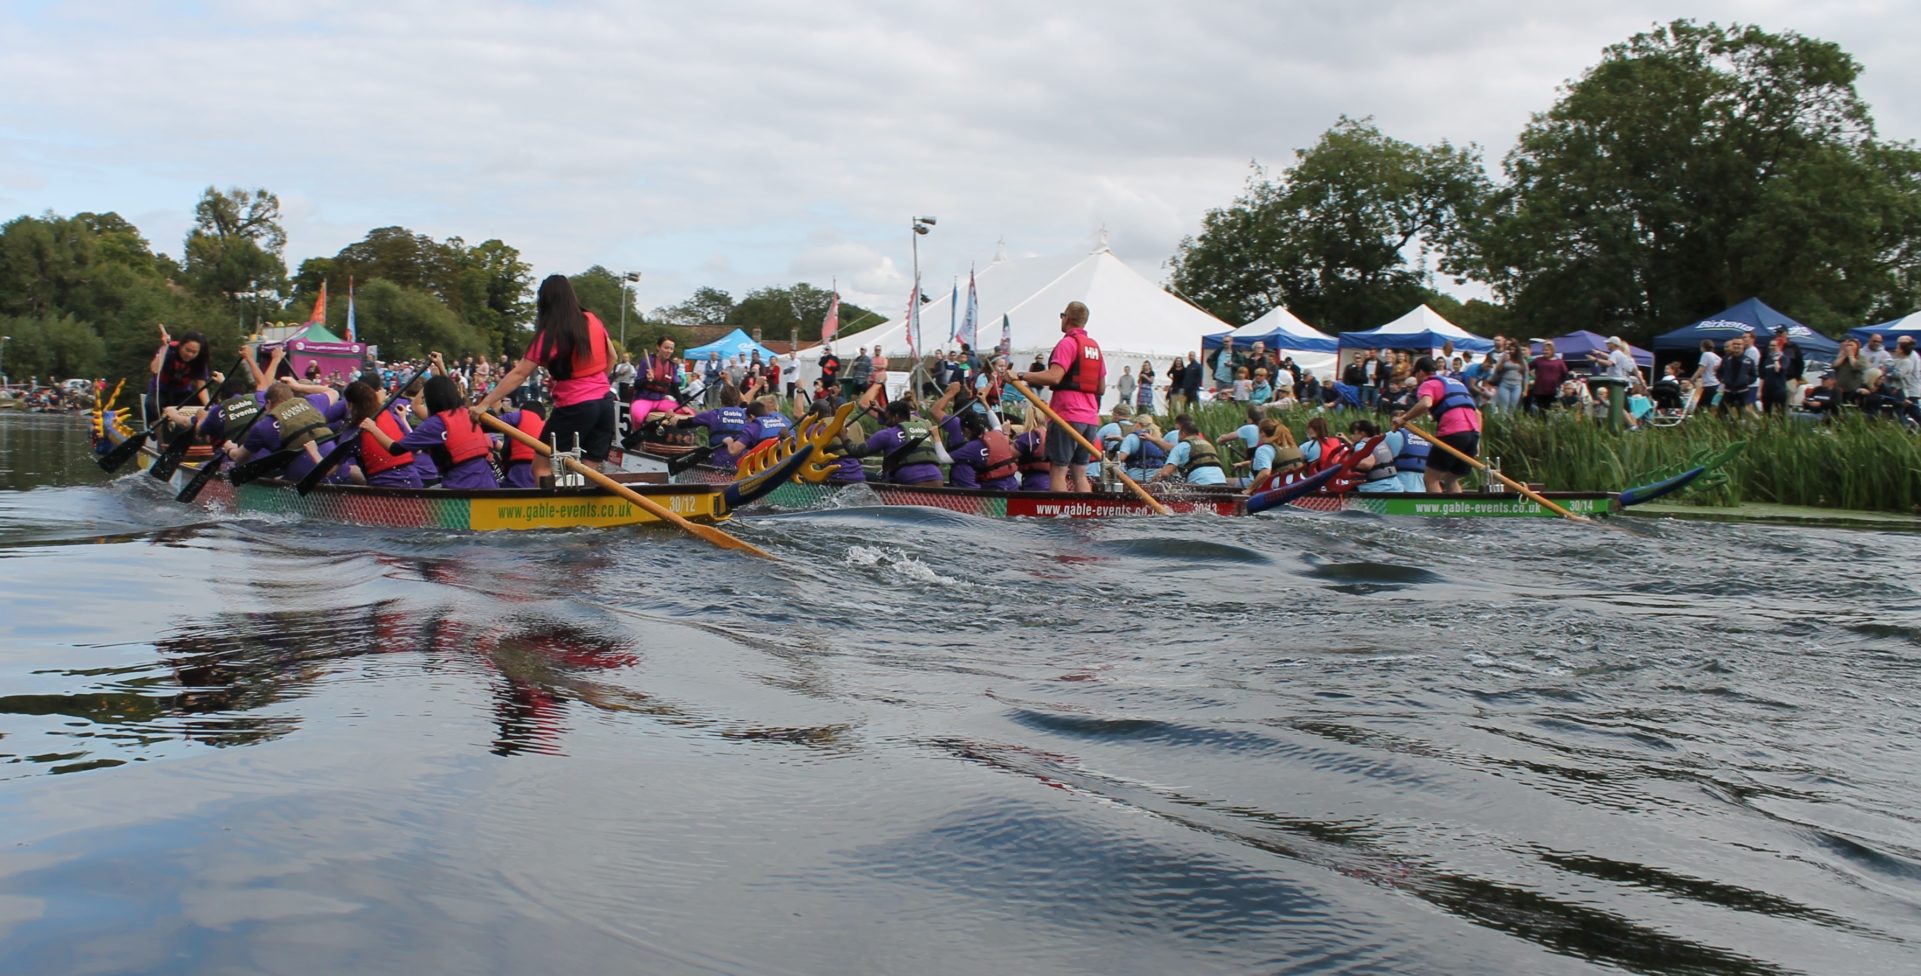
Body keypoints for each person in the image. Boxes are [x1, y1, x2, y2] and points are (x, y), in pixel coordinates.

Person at [477, 275, 618, 461]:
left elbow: (519, 374)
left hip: (576, 405)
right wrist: (595, 384)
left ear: (545, 302)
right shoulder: (592, 319)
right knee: (590, 468)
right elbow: (612, 357)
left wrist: (485, 403)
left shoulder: (551, 333)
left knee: (542, 463)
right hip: (606, 403)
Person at [1004, 301, 1105, 493]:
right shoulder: (1094, 348)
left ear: (1066, 318)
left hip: (1067, 415)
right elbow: (1101, 388)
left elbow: (1054, 377)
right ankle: (1085, 520)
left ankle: (1059, 520)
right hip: (1090, 418)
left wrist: (1022, 376)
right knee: (1079, 472)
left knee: (1058, 470)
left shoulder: (1067, 343)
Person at [363, 370, 499, 490]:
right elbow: (447, 389)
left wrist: (373, 428)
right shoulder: (469, 414)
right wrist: (439, 370)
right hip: (489, 486)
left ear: (430, 399)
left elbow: (395, 449)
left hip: (459, 489)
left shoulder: (435, 424)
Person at [1394, 356, 1481, 494]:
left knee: (1430, 479)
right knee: (1451, 479)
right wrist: (1477, 442)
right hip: (1473, 434)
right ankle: (1458, 514)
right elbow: (1478, 414)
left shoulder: (1428, 383)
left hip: (1453, 432)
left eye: (1416, 375)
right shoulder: (1456, 382)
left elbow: (1426, 403)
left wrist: (1404, 418)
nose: (1417, 379)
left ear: (1421, 372)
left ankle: (1437, 515)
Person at [339, 380, 423, 488]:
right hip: (413, 481)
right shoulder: (392, 416)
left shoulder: (352, 432)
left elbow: (351, 470)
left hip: (382, 487)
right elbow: (417, 450)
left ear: (350, 405)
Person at [844, 401, 942, 487]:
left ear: (895, 416)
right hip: (937, 479)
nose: (884, 421)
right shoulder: (923, 428)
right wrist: (880, 410)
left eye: (887, 417)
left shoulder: (886, 434)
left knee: (865, 475)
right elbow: (897, 423)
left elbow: (857, 451)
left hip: (912, 481)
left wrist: (842, 435)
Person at [149, 326, 211, 424]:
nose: (190, 355)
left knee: (198, 409)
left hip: (183, 391)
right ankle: (157, 435)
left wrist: (209, 406)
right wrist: (164, 348)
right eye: (187, 350)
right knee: (152, 405)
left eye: (194, 352)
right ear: (181, 345)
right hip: (160, 389)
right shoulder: (170, 348)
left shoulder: (200, 359)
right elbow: (154, 369)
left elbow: (201, 386)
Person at [946, 411, 1019, 491]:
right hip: (1011, 485)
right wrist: (985, 404)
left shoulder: (974, 446)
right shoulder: (998, 435)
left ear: (967, 430)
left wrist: (936, 437)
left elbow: (943, 458)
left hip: (993, 489)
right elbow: (997, 424)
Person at [1152, 413, 1226, 487]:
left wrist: (1151, 482)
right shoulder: (1208, 444)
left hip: (1201, 484)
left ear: (1182, 433)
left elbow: (1165, 473)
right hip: (1222, 482)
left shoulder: (1181, 446)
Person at [628, 337, 683, 428]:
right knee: (637, 416)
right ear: (658, 347)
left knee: (690, 412)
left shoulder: (672, 366)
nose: (669, 351)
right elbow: (637, 385)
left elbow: (675, 388)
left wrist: (682, 404)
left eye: (671, 349)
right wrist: (646, 379)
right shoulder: (647, 362)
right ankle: (639, 437)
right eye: (666, 348)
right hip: (644, 399)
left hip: (661, 401)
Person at [494, 401, 548, 488]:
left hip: (520, 469)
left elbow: (493, 421)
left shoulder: (520, 415)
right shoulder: (545, 427)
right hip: (540, 471)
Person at [1242, 418, 1303, 491]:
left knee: (1232, 482)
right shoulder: (1291, 445)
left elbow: (1265, 473)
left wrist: (1249, 490)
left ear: (1263, 433)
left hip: (1278, 485)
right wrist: (1245, 463)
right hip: (1300, 481)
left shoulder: (1264, 449)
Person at [1759, 327, 1805, 415]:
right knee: (1768, 406)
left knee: (1784, 406)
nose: (1779, 335)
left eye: (1781, 333)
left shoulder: (1793, 346)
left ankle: (1783, 425)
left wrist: (1797, 379)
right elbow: (1762, 362)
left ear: (1786, 334)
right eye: (1777, 333)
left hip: (1789, 379)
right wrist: (1763, 376)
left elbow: (1800, 363)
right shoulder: (1770, 346)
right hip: (1772, 380)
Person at [1346, 419, 1399, 493]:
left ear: (1362, 433)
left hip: (1376, 488)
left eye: (1353, 433)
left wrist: (1347, 463)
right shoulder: (1381, 442)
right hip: (1396, 486)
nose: (1351, 436)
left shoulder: (1361, 445)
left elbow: (1367, 464)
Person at [1113, 413, 1167, 484]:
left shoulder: (1131, 437)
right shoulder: (1157, 439)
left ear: (1138, 424)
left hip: (1136, 478)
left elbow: (1121, 458)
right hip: (1158, 476)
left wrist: (1110, 464)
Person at [1716, 337, 1758, 417]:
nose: (1736, 346)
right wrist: (1722, 379)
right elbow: (1719, 372)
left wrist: (1745, 380)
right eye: (1734, 344)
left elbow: (1754, 376)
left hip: (1742, 392)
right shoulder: (1726, 358)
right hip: (1728, 392)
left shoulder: (1748, 361)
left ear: (1743, 346)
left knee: (1742, 417)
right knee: (1720, 415)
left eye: (1739, 344)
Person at [1012, 417, 1051, 491]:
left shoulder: (1027, 438)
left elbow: (1006, 456)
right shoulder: (1055, 437)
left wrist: (1005, 434)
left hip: (1033, 483)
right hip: (1055, 481)